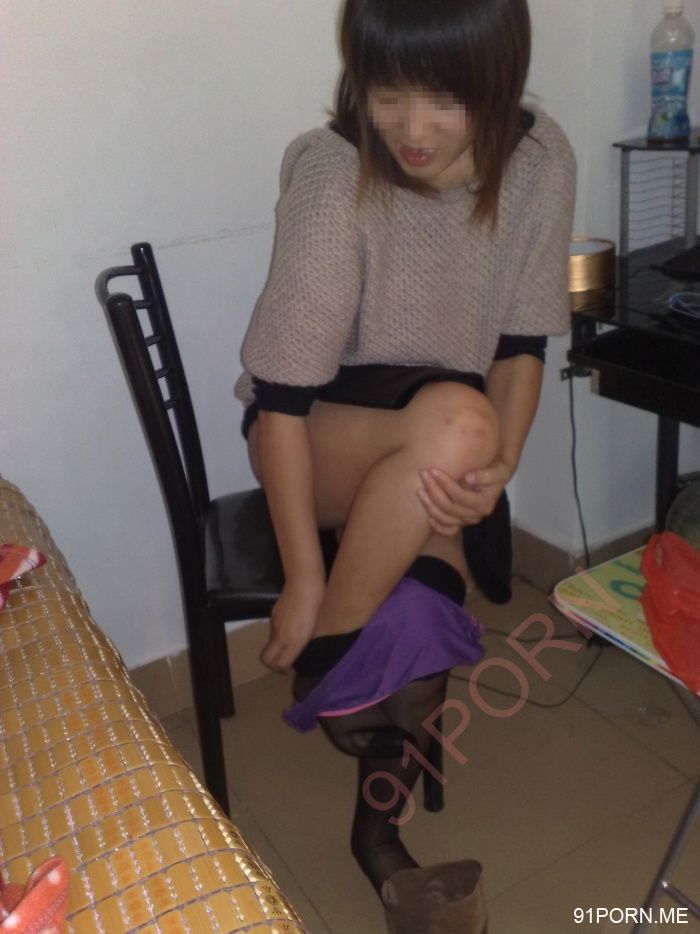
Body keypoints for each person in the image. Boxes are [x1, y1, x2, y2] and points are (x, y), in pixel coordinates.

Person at [235, 0, 575, 926]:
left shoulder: (539, 164)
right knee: (460, 423)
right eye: (387, 93)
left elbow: (521, 347)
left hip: (437, 444)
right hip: (317, 439)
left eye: (446, 99)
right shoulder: (331, 170)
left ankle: (378, 844)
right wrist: (305, 581)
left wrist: (497, 470)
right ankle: (328, 657)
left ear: (498, 80)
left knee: (423, 610)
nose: (411, 130)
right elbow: (282, 405)